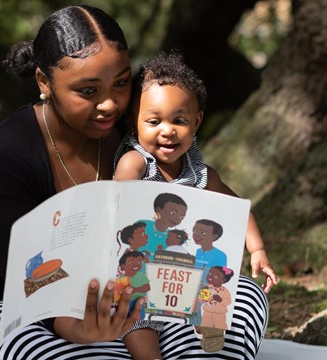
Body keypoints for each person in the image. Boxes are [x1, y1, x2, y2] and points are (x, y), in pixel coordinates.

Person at [0, 5, 271, 359]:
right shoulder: (0, 156)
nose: (110, 104)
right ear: (43, 83)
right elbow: (25, 282)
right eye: (87, 91)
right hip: (20, 315)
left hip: (135, 304)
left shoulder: (137, 140)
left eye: (122, 83)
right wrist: (80, 326)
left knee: (243, 298)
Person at [114, 50, 279, 354]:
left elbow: (235, 207)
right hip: (141, 274)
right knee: (136, 320)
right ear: (132, 122)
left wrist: (257, 249)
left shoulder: (200, 173)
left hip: (181, 272)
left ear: (197, 121)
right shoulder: (136, 162)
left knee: (212, 288)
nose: (168, 130)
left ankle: (207, 328)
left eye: (180, 120)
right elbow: (122, 194)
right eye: (153, 121)